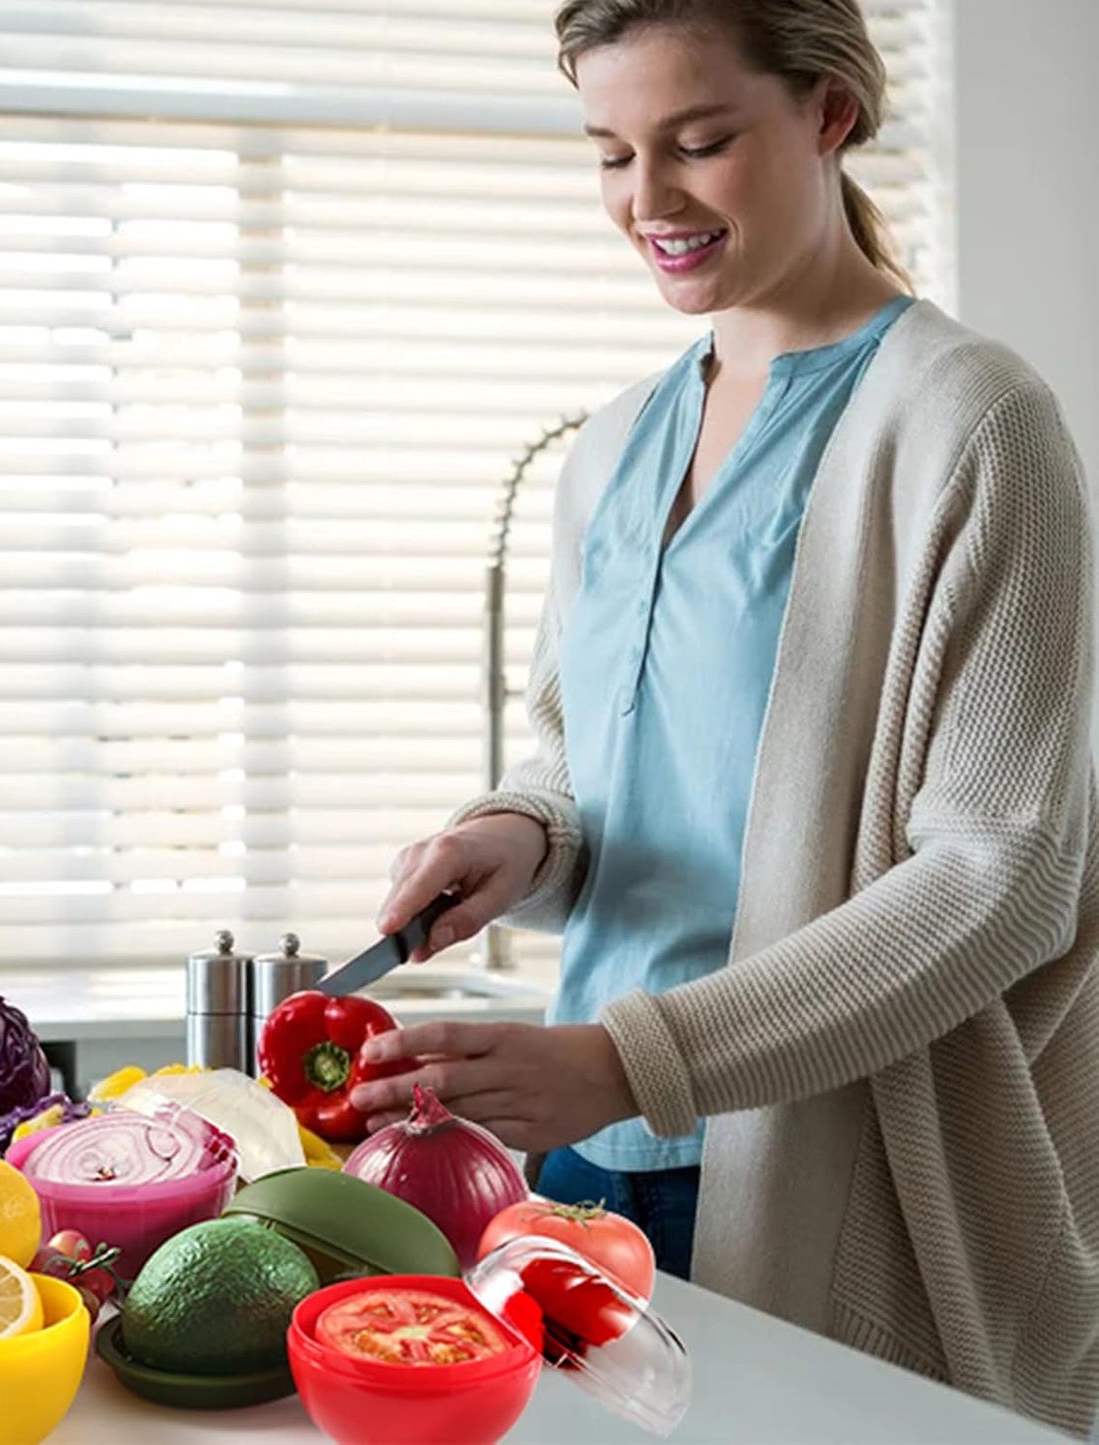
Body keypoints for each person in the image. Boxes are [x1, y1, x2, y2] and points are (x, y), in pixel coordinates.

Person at [346, 0, 1099, 1436]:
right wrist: (521, 828)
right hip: (576, 1161)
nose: (648, 202)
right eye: (610, 153)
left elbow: (997, 878)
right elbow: (584, 744)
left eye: (698, 142)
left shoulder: (974, 425)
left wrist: (634, 1058)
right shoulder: (617, 440)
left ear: (827, 115)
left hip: (818, 1162)